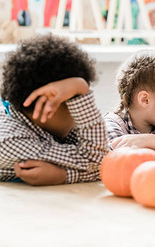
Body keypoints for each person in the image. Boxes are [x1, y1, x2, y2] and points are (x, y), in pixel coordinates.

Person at [0, 34, 110, 185]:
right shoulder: (11, 141)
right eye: (76, 101)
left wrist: (63, 175)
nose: (80, 112)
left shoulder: (46, 125)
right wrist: (80, 87)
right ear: (49, 104)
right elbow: (100, 162)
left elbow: (105, 159)